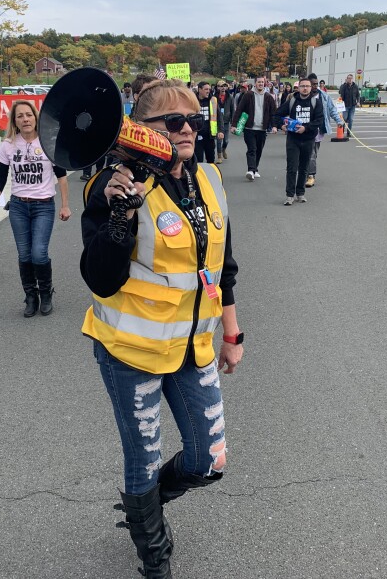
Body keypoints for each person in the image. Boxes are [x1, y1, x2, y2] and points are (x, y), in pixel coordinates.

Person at [81, 78, 243, 578]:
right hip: (132, 351)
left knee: (208, 460)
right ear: (141, 128)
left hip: (193, 347)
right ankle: (154, 555)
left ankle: (145, 506)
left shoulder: (210, 177)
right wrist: (119, 216)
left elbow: (223, 266)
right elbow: (101, 280)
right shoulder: (112, 185)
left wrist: (232, 334)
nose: (188, 128)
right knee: (143, 458)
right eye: (174, 121)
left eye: (194, 118)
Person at [0, 101, 71, 317]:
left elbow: (61, 177)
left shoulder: (48, 142)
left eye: (28, 115)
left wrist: (65, 205)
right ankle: (30, 296)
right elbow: (0, 180)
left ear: (36, 117)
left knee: (38, 253)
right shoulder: (8, 145)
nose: (25, 119)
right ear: (14, 121)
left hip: (43, 206)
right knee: (24, 254)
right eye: (20, 116)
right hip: (18, 207)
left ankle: (46, 293)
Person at [277, 77, 323, 205]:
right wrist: (282, 125)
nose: (305, 88)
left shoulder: (316, 102)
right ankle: (289, 195)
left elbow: (319, 120)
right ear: (298, 87)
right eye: (302, 86)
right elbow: (277, 114)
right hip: (293, 139)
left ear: (311, 88)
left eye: (307, 86)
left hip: (308, 139)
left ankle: (300, 193)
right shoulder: (292, 101)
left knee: (304, 168)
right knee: (292, 168)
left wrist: (306, 128)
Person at [232, 76, 277, 181]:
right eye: (259, 82)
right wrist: (234, 125)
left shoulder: (268, 97)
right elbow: (239, 109)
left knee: (259, 150)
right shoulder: (248, 95)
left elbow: (273, 113)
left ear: (264, 84)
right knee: (252, 149)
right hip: (249, 128)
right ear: (255, 84)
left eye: (262, 82)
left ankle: (255, 169)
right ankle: (251, 170)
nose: (260, 84)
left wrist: (274, 126)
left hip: (262, 129)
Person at [306, 74, 344, 187]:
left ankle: (309, 172)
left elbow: (332, 110)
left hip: (319, 129)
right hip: (307, 129)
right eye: (312, 84)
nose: (314, 86)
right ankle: (310, 175)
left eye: (316, 84)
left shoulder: (324, 96)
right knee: (310, 154)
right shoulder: (304, 96)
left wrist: (339, 121)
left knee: (314, 154)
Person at [194, 81, 220, 163]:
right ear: (199, 90)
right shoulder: (193, 101)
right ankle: (199, 175)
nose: (208, 91)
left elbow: (219, 117)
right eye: (206, 89)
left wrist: (221, 131)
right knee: (198, 160)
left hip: (209, 136)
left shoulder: (213, 101)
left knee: (211, 159)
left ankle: (211, 175)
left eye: (209, 89)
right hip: (196, 136)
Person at [215, 80, 235, 164]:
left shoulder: (230, 97)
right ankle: (219, 156)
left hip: (226, 121)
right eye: (221, 86)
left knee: (226, 140)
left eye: (224, 86)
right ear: (218, 87)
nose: (223, 88)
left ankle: (223, 149)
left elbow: (232, 110)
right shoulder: (214, 97)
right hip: (217, 122)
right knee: (219, 140)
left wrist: (233, 123)